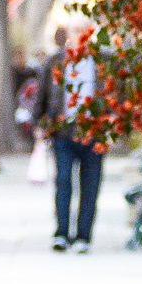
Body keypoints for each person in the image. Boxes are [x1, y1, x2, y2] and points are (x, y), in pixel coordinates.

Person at [34, 24, 106, 253]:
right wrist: (39, 123)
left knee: (90, 185)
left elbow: (116, 92)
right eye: (76, 32)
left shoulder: (103, 62)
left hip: (94, 132)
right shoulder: (55, 61)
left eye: (84, 32)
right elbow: (42, 94)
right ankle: (61, 233)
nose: (80, 37)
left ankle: (83, 236)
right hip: (63, 131)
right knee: (63, 182)